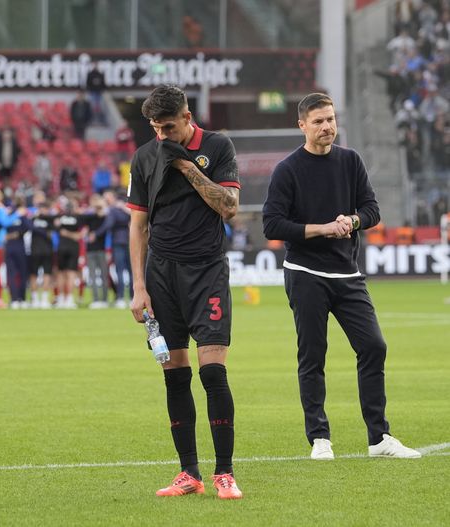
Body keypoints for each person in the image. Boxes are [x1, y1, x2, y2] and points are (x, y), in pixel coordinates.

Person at [262, 92, 422, 462]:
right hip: (305, 273)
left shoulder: (351, 161)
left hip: (348, 274)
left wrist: (352, 220)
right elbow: (272, 225)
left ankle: (379, 437)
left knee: (373, 346)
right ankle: (319, 438)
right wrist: (323, 228)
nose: (327, 127)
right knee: (313, 355)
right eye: (318, 121)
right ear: (302, 125)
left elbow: (372, 210)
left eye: (331, 119)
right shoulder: (288, 169)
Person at [127, 85, 243, 499]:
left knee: (212, 372)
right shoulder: (143, 157)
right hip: (161, 275)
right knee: (175, 375)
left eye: (169, 127)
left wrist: (185, 165)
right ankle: (188, 473)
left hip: (206, 270)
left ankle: (225, 473)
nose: (162, 135)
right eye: (156, 128)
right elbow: (138, 225)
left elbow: (228, 206)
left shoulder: (217, 146)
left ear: (187, 116)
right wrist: (139, 287)